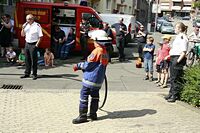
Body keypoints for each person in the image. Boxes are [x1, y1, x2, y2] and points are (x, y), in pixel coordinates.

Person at [72, 30, 111, 124]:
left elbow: (87, 65)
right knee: (95, 96)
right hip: (98, 80)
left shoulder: (97, 51)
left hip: (90, 79)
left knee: (84, 96)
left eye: (93, 41)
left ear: (97, 41)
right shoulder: (105, 51)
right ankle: (93, 114)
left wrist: (78, 66)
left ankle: (82, 116)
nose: (93, 42)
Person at [165, 22, 188, 102]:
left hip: (177, 58)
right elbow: (176, 48)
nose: (174, 29)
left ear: (180, 29)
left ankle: (175, 95)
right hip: (173, 57)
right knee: (172, 78)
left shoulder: (182, 37)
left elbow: (183, 51)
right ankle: (171, 93)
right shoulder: (178, 37)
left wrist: (177, 61)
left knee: (175, 78)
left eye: (176, 28)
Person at [20, 14, 43, 80]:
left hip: (33, 44)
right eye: (26, 19)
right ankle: (27, 73)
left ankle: (34, 74)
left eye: (29, 19)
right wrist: (23, 28)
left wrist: (36, 45)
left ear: (32, 19)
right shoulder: (25, 25)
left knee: (34, 60)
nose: (27, 20)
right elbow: (22, 35)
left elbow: (41, 37)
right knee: (27, 59)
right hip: (27, 43)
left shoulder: (37, 25)